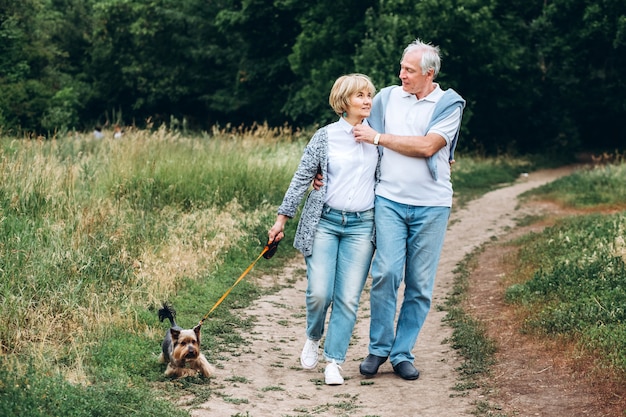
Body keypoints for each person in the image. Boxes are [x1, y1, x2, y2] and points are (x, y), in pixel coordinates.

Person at [354, 38, 465, 380]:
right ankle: (378, 348)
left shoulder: (449, 103)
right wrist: (322, 168)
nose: (401, 74)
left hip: (432, 205)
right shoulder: (386, 97)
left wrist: (379, 138)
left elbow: (429, 146)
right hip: (389, 199)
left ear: (429, 73)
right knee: (386, 273)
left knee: (419, 285)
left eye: (409, 70)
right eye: (401, 67)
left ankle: (402, 353)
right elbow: (353, 127)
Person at [268, 74, 379, 386]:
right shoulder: (325, 137)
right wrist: (281, 221)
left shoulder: (377, 138)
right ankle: (313, 335)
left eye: (369, 94)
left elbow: (389, 178)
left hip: (362, 226)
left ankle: (334, 361)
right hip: (325, 223)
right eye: (360, 95)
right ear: (344, 102)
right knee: (320, 293)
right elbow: (302, 178)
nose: (368, 100)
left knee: (347, 298)